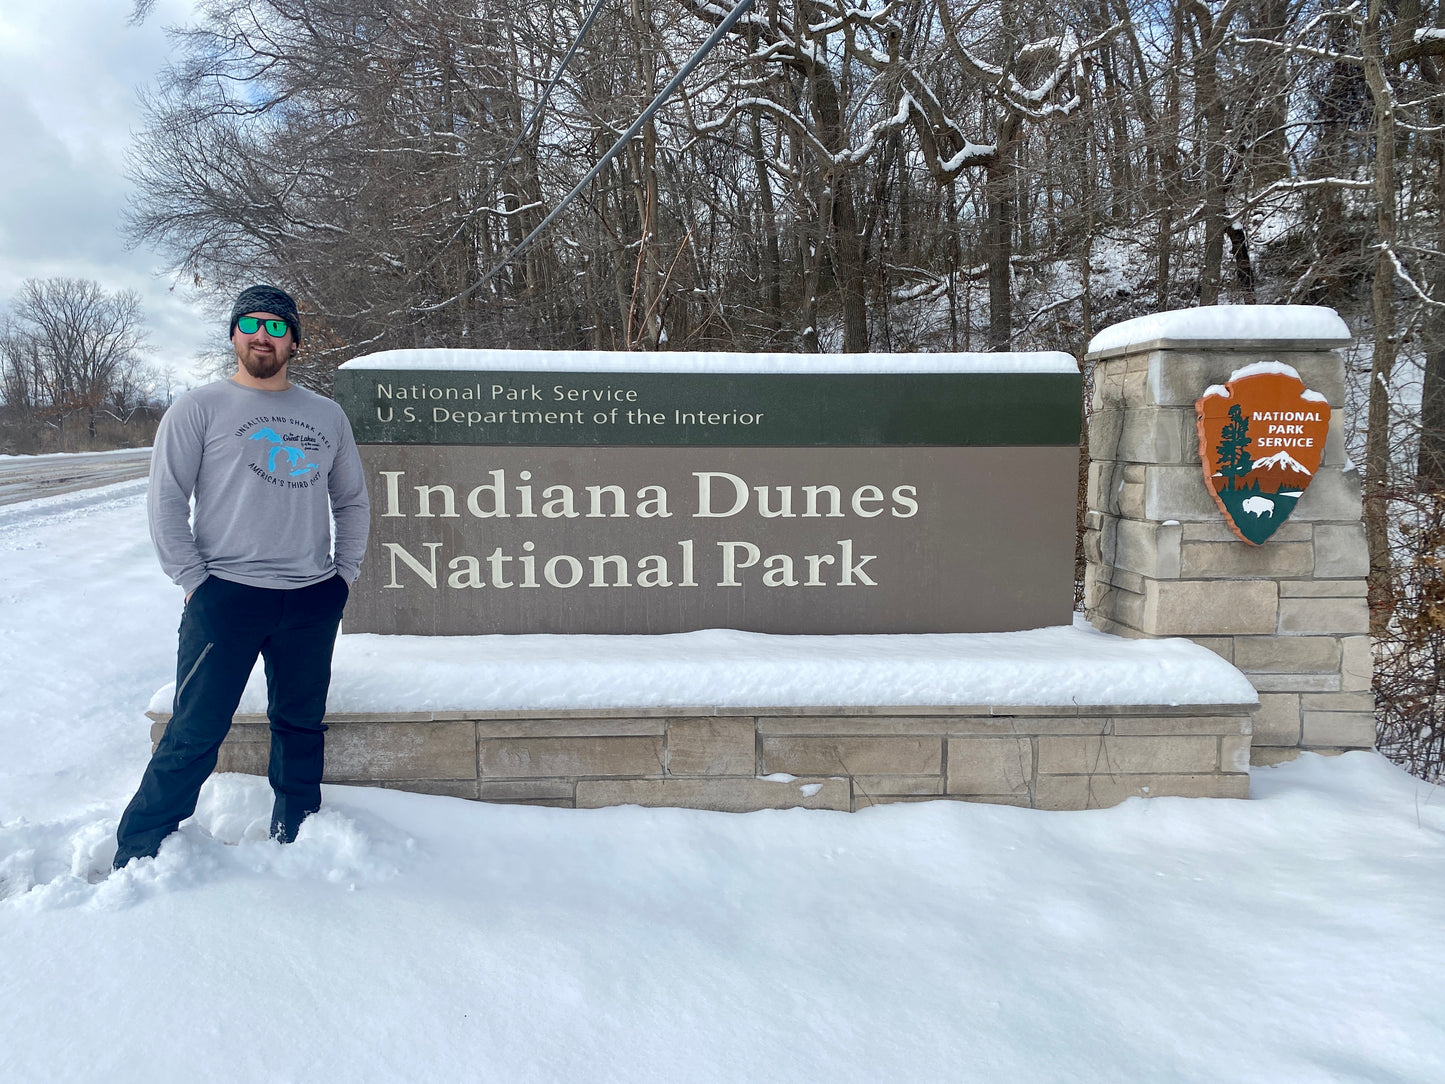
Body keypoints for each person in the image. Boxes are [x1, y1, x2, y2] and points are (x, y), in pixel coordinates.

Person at [113, 285, 370, 869]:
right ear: (233, 334)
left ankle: (298, 838)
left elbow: (352, 502)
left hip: (310, 598)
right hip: (224, 598)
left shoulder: (326, 415)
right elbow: (166, 501)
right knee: (196, 731)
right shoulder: (198, 408)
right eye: (251, 324)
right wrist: (194, 580)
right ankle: (138, 854)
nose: (263, 335)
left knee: (300, 726)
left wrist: (343, 576)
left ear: (294, 342)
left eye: (278, 328)